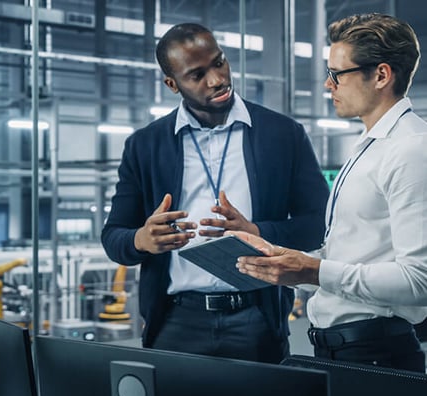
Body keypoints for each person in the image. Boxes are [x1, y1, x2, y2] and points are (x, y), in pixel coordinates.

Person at [101, 23, 329, 363]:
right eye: (197, 75)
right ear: (172, 84)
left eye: (219, 63)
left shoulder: (282, 135)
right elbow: (113, 237)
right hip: (176, 322)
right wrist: (141, 241)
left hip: (258, 319)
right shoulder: (144, 146)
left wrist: (259, 233)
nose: (217, 80)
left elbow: (320, 223)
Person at [235, 13, 427, 373]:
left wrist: (314, 271)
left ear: (382, 75)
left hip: (375, 352)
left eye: (338, 74)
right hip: (343, 349)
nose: (327, 84)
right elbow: (353, 250)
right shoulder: (370, 146)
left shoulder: (411, 150)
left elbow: (420, 280)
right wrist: (289, 262)